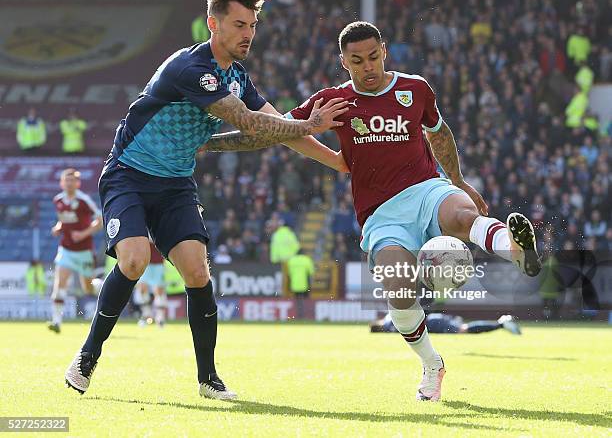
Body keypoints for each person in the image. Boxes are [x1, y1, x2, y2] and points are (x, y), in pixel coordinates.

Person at [205, 21, 542, 402]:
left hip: (427, 190)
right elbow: (277, 130)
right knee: (398, 291)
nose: (367, 67)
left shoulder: (415, 89)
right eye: (357, 61)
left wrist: (459, 180)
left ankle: (514, 250)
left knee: (464, 214)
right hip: (382, 215)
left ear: (384, 50)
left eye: (373, 57)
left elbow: (439, 134)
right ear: (343, 62)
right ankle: (432, 365)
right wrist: (209, 145)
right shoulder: (333, 100)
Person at [64, 0, 348, 400]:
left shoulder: (237, 77)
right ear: (213, 24)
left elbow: (277, 130)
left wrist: (340, 164)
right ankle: (87, 356)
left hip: (177, 183)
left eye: (253, 24)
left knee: (197, 271)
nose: (248, 33)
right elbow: (252, 123)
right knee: (135, 259)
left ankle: (208, 379)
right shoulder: (191, 69)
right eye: (239, 24)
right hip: (129, 175)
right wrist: (308, 124)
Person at [49, 168, 103, 333]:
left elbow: (100, 220)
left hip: (84, 251)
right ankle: (56, 322)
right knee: (60, 283)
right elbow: (63, 221)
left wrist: (83, 233)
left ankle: (101, 286)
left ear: (78, 183)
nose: (69, 183)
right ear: (61, 182)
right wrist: (58, 228)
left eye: (72, 180)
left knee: (88, 288)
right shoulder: (58, 200)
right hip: (65, 248)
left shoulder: (83, 200)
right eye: (66, 180)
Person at [370, 313, 521, 335]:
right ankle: (501, 324)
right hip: (434, 319)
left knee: (464, 330)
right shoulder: (390, 316)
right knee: (463, 328)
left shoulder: (391, 326)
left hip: (433, 324)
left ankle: (501, 324)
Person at [133, 240, 167, 327]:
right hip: (144, 260)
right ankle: (146, 314)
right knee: (142, 288)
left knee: (158, 289)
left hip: (158, 260)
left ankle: (160, 318)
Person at [286, 249, 315, 319]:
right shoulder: (307, 260)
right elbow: (311, 273)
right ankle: (305, 315)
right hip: (305, 284)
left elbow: (289, 274)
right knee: (305, 300)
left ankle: (298, 315)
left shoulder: (291, 261)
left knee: (297, 300)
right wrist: (311, 283)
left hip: (294, 284)